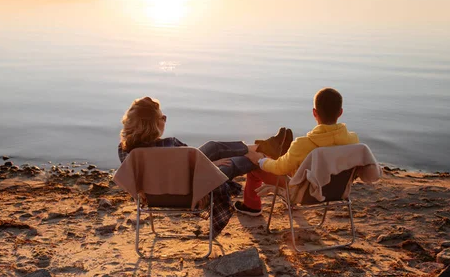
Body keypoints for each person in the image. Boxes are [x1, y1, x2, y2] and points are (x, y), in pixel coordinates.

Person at [117, 96, 257, 236]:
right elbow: (188, 171)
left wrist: (207, 164)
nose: (165, 120)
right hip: (190, 192)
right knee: (228, 166)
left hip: (155, 195)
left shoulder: (127, 152)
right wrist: (210, 166)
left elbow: (149, 175)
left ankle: (250, 150)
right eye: (162, 117)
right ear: (152, 124)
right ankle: (258, 156)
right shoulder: (171, 145)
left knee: (212, 147)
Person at [235, 87, 360, 216]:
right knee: (291, 160)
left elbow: (279, 169)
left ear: (314, 113)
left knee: (256, 165)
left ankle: (251, 206)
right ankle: (279, 151)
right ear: (340, 112)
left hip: (304, 193)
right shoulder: (353, 140)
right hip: (338, 191)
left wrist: (261, 161)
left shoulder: (304, 143)